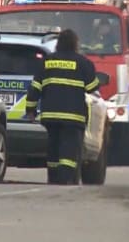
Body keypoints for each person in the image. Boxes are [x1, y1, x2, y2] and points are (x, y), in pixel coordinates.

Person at [26, 29, 99, 185]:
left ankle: (53, 178)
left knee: (54, 146)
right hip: (73, 117)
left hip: (51, 116)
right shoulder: (83, 63)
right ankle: (65, 179)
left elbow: (35, 89)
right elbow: (92, 88)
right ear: (75, 44)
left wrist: (30, 110)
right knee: (69, 150)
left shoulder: (47, 61)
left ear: (58, 44)